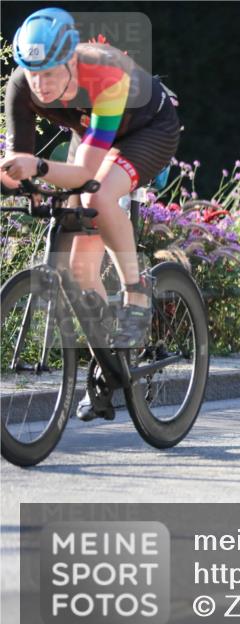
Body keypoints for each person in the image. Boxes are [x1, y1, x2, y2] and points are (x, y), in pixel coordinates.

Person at [2, 8, 182, 419]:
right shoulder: (22, 85)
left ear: (72, 61)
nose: (41, 86)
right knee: (80, 270)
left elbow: (84, 173)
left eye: (50, 73)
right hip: (91, 133)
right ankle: (108, 365)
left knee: (98, 198)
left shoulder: (104, 73)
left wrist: (40, 168)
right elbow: (20, 162)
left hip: (148, 130)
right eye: (33, 75)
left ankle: (136, 292)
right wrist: (12, 174)